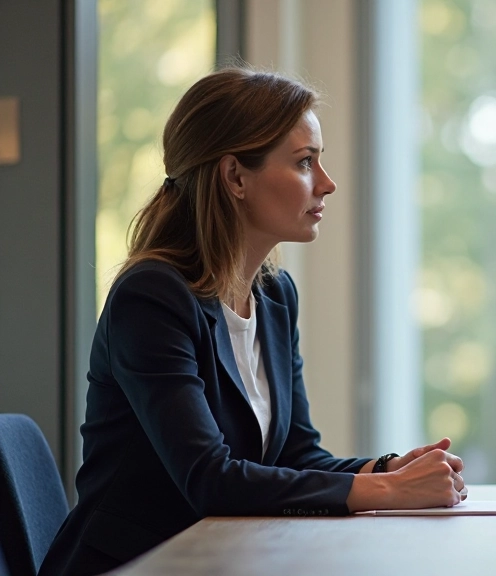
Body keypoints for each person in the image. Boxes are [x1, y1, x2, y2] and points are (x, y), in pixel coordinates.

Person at [40, 68, 467, 576]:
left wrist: (389, 468)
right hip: (135, 565)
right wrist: (389, 490)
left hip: (224, 560)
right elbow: (210, 479)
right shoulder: (151, 297)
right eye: (305, 162)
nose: (327, 184)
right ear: (235, 177)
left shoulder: (275, 296)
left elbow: (295, 453)